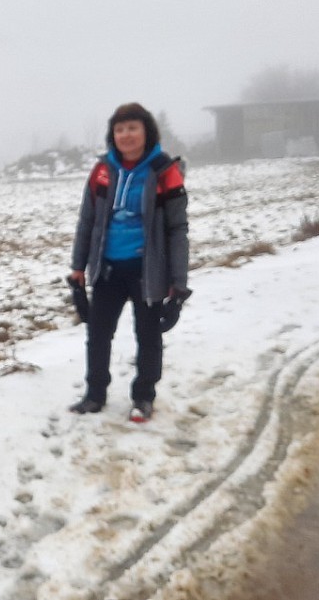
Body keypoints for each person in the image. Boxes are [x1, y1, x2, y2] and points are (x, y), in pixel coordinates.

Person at [68, 102, 190, 422]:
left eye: (132, 128)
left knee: (148, 336)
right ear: (113, 135)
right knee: (97, 334)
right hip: (108, 268)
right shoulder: (102, 171)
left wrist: (179, 283)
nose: (126, 135)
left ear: (147, 131)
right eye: (119, 129)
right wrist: (78, 267)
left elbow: (177, 229)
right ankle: (95, 394)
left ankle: (143, 397)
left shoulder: (164, 171)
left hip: (147, 271)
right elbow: (87, 220)